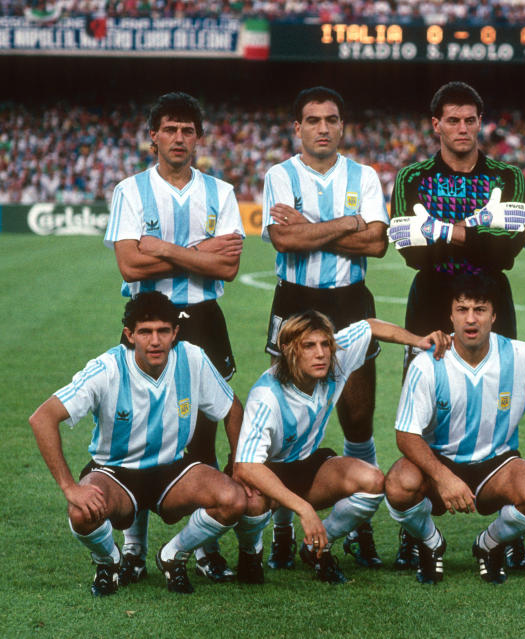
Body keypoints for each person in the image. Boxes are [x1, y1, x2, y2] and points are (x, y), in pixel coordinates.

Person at [383, 275, 525, 585]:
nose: (470, 318)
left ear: (494, 316)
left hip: (497, 466)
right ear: (450, 315)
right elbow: (406, 435)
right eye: (462, 309)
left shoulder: (518, 355)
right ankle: (429, 542)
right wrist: (445, 478)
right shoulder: (427, 363)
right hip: (439, 463)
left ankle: (489, 545)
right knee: (399, 485)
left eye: (480, 309)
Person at [28, 292, 263, 596]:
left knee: (234, 499)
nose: (155, 341)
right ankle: (108, 560)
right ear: (130, 335)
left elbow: (232, 408)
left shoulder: (192, 358)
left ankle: (173, 554)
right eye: (145, 332)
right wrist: (70, 487)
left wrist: (239, 464)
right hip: (115, 471)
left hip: (173, 470)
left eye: (163, 331)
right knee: (81, 513)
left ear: (175, 332)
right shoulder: (107, 368)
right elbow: (42, 418)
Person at [103, 92, 245, 585]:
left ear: (198, 137)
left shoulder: (220, 191)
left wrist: (161, 247)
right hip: (148, 317)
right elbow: (128, 264)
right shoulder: (130, 190)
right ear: (154, 136)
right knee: (140, 430)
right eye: (170, 129)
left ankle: (198, 545)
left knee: (204, 430)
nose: (179, 138)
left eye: (188, 130)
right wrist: (197, 253)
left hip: (204, 317)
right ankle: (134, 547)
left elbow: (228, 263)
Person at [387, 80, 525, 568]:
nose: (463, 128)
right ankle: (419, 523)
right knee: (421, 406)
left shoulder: (508, 176)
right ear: (437, 125)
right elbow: (408, 249)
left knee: (501, 396)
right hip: (430, 297)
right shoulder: (412, 178)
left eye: (471, 119)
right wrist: (476, 228)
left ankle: (508, 518)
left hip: (493, 298)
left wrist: (439, 230)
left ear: (480, 122)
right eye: (453, 119)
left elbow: (509, 248)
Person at [260, 86, 390, 571]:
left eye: (331, 119)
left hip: (349, 300)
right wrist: (347, 224)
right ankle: (280, 528)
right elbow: (284, 238)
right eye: (312, 120)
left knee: (357, 418)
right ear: (297, 128)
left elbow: (377, 245)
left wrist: (311, 226)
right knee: (284, 424)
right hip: (295, 300)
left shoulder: (365, 175)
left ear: (342, 126)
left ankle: (359, 525)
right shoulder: (279, 174)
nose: (322, 128)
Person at [232, 311, 450, 584]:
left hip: (306, 465)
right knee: (251, 502)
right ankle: (250, 553)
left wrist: (418, 341)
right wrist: (305, 510)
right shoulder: (266, 395)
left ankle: (316, 546)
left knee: (372, 480)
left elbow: (370, 327)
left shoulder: (333, 358)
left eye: (325, 344)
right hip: (266, 473)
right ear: (288, 350)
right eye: (309, 346)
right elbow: (246, 466)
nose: (321, 353)